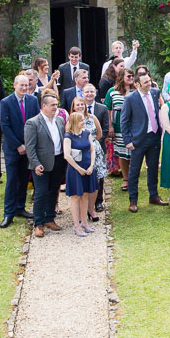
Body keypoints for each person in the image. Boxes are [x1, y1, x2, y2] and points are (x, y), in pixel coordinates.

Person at [121, 71, 166, 212]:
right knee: (134, 171)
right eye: (146, 82)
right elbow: (124, 121)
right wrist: (127, 140)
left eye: (149, 80)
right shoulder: (130, 99)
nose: (149, 83)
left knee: (153, 169)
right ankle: (133, 200)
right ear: (137, 84)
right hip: (138, 139)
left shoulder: (155, 93)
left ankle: (154, 196)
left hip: (154, 137)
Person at [0, 75, 40, 228]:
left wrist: (29, 145)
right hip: (12, 149)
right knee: (12, 180)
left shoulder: (33, 101)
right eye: (21, 85)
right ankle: (8, 213)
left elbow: (36, 122)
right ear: (14, 85)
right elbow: (5, 126)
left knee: (24, 179)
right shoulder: (6, 102)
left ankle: (20, 208)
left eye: (26, 85)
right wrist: (18, 145)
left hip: (28, 147)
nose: (24, 88)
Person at [24, 94, 66, 238]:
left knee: (53, 191)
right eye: (53, 105)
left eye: (56, 104)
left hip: (58, 161)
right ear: (44, 106)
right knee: (40, 193)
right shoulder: (33, 123)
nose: (56, 107)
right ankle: (38, 223)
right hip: (41, 164)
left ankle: (49, 218)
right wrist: (35, 164)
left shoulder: (60, 120)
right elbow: (30, 147)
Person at [62, 111, 97, 237]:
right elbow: (67, 155)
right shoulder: (68, 136)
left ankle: (85, 223)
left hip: (88, 166)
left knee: (86, 195)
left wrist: (92, 165)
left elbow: (92, 150)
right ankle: (76, 225)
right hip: (75, 169)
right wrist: (78, 168)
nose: (83, 122)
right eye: (81, 120)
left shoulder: (86, 133)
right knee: (76, 196)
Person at [80, 84, 110, 216]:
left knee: (99, 175)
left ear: (95, 93)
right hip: (81, 149)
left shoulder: (102, 108)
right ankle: (85, 203)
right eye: (87, 92)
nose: (89, 94)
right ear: (82, 93)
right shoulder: (78, 108)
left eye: (92, 92)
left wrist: (95, 143)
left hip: (98, 146)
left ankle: (98, 201)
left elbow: (105, 129)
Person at [104, 67, 134, 193]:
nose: (131, 78)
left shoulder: (135, 91)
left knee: (133, 153)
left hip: (133, 127)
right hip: (118, 127)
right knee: (122, 153)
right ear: (122, 77)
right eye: (128, 76)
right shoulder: (112, 91)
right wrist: (110, 126)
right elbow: (108, 109)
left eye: (132, 76)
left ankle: (133, 178)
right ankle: (126, 178)